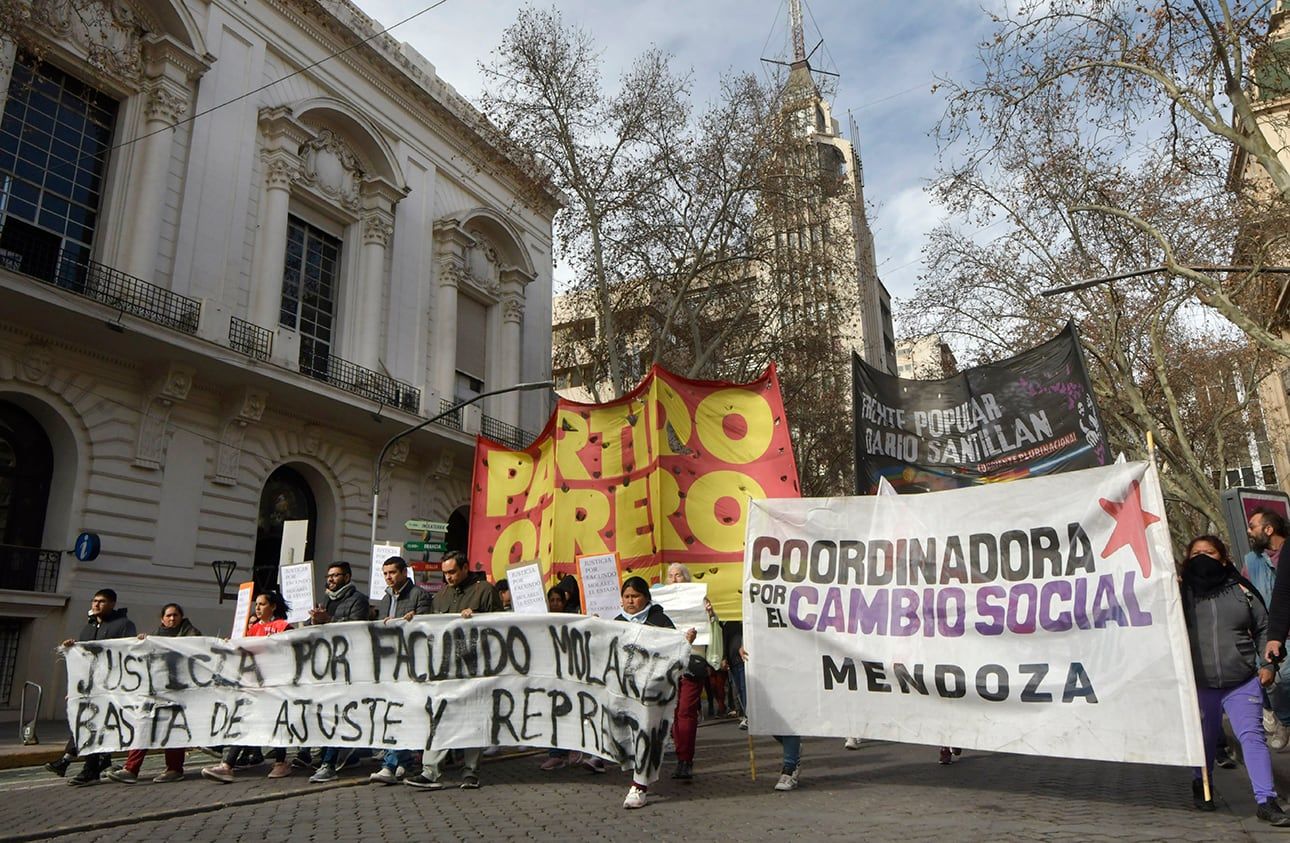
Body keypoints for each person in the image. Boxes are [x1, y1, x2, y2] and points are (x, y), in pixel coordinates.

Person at [1184, 535, 1290, 826]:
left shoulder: (1242, 590)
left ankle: (1266, 801)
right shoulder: (1178, 593)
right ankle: (1201, 784)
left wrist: (1267, 663)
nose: (1203, 558)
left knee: (1253, 738)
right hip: (1199, 683)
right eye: (1196, 554)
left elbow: (1264, 627)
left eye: (1210, 552)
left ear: (1223, 558)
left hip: (1241, 680)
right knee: (1204, 740)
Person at [405, 552, 501, 790]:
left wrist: (477, 618)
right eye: (445, 573)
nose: (448, 577)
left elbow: (501, 625)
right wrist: (414, 620)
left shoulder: (485, 591)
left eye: (452, 572)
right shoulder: (441, 596)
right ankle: (430, 770)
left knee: (473, 719)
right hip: (446, 669)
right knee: (439, 717)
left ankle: (471, 772)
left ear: (465, 568)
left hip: (477, 668)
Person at [615, 576, 695, 809]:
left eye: (635, 596)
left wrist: (685, 642)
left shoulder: (660, 621)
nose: (630, 601)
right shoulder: (617, 623)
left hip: (652, 693)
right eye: (626, 597)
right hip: (627, 692)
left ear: (646, 598)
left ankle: (639, 787)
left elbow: (673, 652)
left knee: (646, 734)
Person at [48, 589, 137, 785]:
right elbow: (83, 663)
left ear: (112, 603)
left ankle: (87, 767)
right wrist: (73, 649)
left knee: (96, 725)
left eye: (102, 601)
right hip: (89, 688)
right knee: (87, 724)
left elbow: (128, 654)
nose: (96, 604)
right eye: (94, 601)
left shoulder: (123, 625)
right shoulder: (87, 629)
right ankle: (95, 764)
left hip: (111, 688)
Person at [201, 591, 292, 783]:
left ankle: (280, 762)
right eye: (256, 605)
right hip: (254, 684)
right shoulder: (252, 630)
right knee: (245, 720)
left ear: (273, 606)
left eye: (262, 604)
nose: (257, 608)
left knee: (277, 721)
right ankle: (227, 765)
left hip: (276, 684)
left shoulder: (283, 626)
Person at [106, 604, 200, 784]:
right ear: (162, 618)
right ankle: (131, 769)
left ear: (181, 617)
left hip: (179, 692)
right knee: (143, 726)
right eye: (169, 616)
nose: (172, 619)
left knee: (172, 730)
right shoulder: (154, 636)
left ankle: (174, 769)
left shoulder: (191, 635)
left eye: (175, 615)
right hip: (155, 692)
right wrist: (142, 643)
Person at [370, 557, 434, 784]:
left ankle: (389, 764)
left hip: (412, 663)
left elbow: (427, 625)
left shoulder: (419, 595)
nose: (388, 577)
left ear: (404, 572)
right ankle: (403, 762)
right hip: (391, 662)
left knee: (400, 711)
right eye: (385, 573)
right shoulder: (385, 599)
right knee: (394, 711)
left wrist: (412, 621)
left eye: (392, 572)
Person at [306, 563, 372, 783]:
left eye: (336, 575)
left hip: (349, 667)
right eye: (329, 575)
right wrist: (313, 621)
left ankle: (329, 763)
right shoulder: (326, 601)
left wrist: (329, 621)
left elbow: (357, 628)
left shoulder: (358, 600)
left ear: (348, 576)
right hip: (327, 667)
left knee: (338, 713)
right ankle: (342, 754)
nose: (331, 579)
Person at [1246, 508, 1290, 749]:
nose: (1249, 531)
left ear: (1268, 529)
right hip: (1273, 631)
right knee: (1273, 680)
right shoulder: (1252, 562)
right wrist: (1272, 637)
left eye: (1253, 526)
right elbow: (1281, 597)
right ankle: (1284, 720)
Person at [664, 563, 708, 782]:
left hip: (693, 662)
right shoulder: (660, 603)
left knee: (685, 711)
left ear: (687, 578)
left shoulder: (700, 600)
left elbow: (712, 628)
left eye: (678, 575)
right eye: (670, 576)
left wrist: (710, 614)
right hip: (669, 664)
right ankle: (681, 752)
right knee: (673, 711)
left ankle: (685, 759)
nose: (674, 579)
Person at [738, 645, 801, 792]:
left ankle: (790, 768)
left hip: (794, 661)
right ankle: (793, 748)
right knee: (764, 717)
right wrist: (747, 641)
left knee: (790, 714)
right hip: (767, 663)